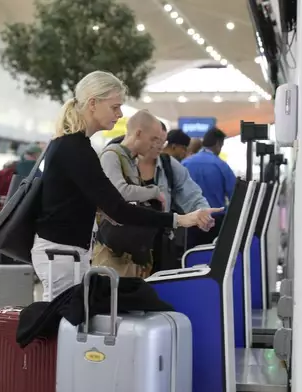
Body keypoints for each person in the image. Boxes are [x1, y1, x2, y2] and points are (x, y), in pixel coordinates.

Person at [31, 70, 222, 301]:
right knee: (62, 329)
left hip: (67, 253)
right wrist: (179, 219)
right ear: (93, 103)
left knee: (69, 328)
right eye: (114, 107)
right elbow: (118, 208)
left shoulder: (75, 146)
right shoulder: (75, 150)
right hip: (60, 255)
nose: (120, 114)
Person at [92, 110, 167, 277]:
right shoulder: (111, 155)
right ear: (139, 133)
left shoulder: (131, 160)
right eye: (153, 139)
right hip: (111, 252)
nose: (155, 145)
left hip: (129, 251)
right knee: (111, 299)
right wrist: (154, 192)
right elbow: (121, 192)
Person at [137, 122, 210, 270]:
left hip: (160, 243)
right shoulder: (119, 160)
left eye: (162, 141)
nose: (159, 146)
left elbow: (191, 194)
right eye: (155, 140)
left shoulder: (168, 165)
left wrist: (203, 213)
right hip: (125, 247)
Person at [182, 127, 237, 248]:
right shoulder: (221, 165)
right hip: (214, 222)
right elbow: (236, 195)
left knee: (189, 258)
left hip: (190, 221)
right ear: (218, 144)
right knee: (211, 257)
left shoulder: (185, 163)